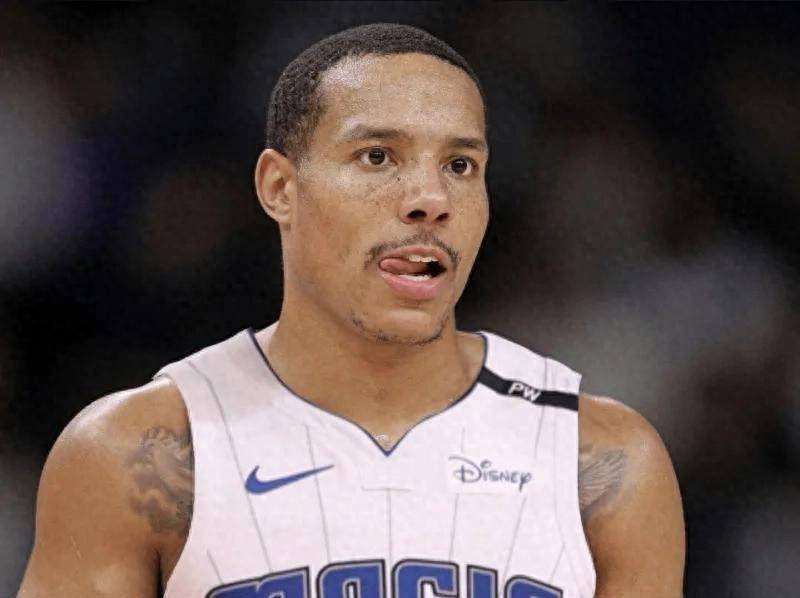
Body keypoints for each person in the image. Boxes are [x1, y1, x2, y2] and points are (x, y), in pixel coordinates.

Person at [18, 23, 684, 598]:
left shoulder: (601, 459)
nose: (430, 199)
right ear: (280, 187)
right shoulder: (137, 453)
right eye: (378, 157)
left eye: (459, 165)